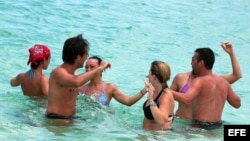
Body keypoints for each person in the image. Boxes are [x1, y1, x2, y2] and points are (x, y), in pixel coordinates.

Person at [172, 47, 241, 130]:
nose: (191, 63)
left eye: (193, 60)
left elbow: (187, 99)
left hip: (198, 126)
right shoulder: (223, 82)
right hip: (216, 127)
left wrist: (165, 91)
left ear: (201, 63)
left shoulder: (200, 81)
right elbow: (237, 104)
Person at [45, 34, 111, 121]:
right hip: (56, 119)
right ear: (78, 57)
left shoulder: (73, 75)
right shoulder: (58, 72)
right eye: (86, 54)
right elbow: (77, 82)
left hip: (70, 119)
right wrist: (100, 68)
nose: (87, 57)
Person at [79, 56, 147, 106]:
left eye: (92, 66)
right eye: (86, 67)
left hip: (103, 123)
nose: (88, 70)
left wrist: (144, 90)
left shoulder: (109, 87)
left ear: (101, 68)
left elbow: (128, 101)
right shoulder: (81, 88)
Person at [142, 61, 175, 130]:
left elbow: (161, 121)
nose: (147, 76)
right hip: (149, 135)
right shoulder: (155, 91)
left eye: (149, 73)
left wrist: (151, 100)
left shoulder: (166, 95)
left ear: (154, 77)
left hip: (158, 137)